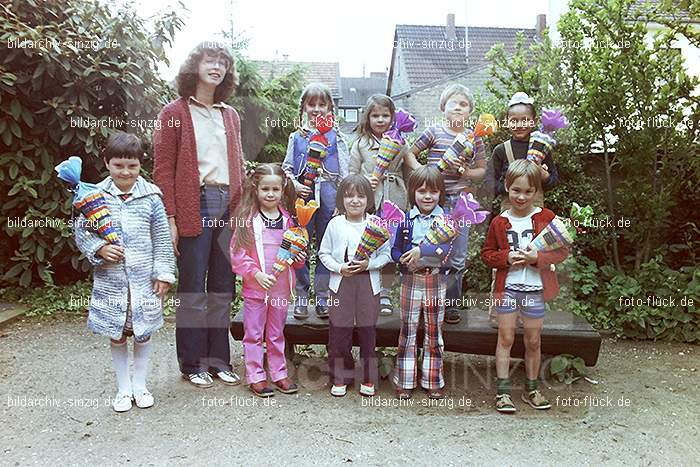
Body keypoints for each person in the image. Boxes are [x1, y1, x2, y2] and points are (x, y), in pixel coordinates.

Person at [153, 41, 245, 388]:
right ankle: (192, 363)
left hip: (229, 205)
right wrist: (172, 219)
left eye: (222, 62)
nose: (216, 66)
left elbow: (237, 165)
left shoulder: (230, 115)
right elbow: (163, 170)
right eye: (210, 60)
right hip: (196, 204)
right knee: (193, 286)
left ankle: (219, 360)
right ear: (195, 66)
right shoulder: (173, 113)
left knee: (222, 286)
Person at [74, 132, 175, 412]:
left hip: (144, 281)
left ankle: (140, 385)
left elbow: (162, 237)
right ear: (106, 163)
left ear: (140, 164)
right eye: (118, 165)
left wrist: (164, 273)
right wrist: (98, 249)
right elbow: (82, 231)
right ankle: (123, 389)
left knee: (143, 332)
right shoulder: (93, 196)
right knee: (117, 333)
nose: (125, 172)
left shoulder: (152, 197)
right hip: (111, 280)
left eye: (132, 165)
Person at [481, 159, 569, 413]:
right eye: (516, 190)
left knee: (533, 340)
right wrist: (505, 258)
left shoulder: (546, 218)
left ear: (537, 191)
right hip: (507, 288)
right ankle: (503, 392)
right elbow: (487, 254)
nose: (522, 196)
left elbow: (562, 251)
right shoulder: (499, 221)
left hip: (534, 290)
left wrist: (536, 259)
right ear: (507, 187)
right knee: (505, 337)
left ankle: (532, 389)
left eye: (528, 191)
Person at [404, 83, 487, 324]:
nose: (459, 108)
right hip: (433, 203)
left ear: (470, 110)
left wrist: (467, 172)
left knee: (457, 257)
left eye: (464, 104)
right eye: (454, 103)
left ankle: (450, 305)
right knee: (429, 251)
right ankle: (424, 301)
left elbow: (482, 170)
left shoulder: (474, 138)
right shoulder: (433, 132)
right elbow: (409, 153)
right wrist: (424, 172)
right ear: (443, 107)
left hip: (462, 204)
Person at [230, 164, 304, 397]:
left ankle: (279, 372)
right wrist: (255, 274)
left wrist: (299, 257)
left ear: (283, 191)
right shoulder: (248, 220)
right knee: (253, 333)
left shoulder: (289, 221)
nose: (270, 194)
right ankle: (255, 375)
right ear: (256, 189)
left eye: (275, 189)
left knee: (276, 332)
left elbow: (296, 256)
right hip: (256, 288)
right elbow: (237, 254)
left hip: (280, 289)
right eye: (265, 189)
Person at [282, 83, 349, 320]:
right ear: (304, 107)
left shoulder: (337, 137)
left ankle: (322, 298)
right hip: (304, 200)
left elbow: (344, 171)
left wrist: (342, 201)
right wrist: (294, 185)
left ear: (330, 107)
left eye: (322, 104)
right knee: (300, 247)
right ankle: (301, 297)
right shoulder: (297, 137)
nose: (317, 109)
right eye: (312, 104)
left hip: (330, 200)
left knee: (325, 248)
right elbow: (287, 169)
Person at [318, 175, 391, 397]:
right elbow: (323, 253)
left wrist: (370, 264)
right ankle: (341, 377)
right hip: (341, 284)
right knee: (339, 331)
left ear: (369, 199)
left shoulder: (376, 225)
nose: (355, 201)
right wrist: (339, 268)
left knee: (368, 331)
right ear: (341, 199)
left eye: (360, 196)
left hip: (368, 284)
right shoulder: (334, 224)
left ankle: (368, 377)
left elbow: (386, 255)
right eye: (349, 196)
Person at [390, 166, 452, 400]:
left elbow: (445, 251)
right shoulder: (406, 220)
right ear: (412, 193)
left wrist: (421, 253)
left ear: (440, 194)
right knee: (408, 329)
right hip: (410, 280)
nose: (428, 196)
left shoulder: (446, 220)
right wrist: (403, 259)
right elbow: (395, 250)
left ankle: (432, 379)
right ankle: (405, 380)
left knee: (434, 331)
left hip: (435, 279)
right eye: (422, 191)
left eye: (433, 192)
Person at [349, 94, 408, 316]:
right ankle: (364, 290)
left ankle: (384, 292)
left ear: (393, 117)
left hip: (395, 198)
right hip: (369, 201)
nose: (381, 120)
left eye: (386, 115)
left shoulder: (400, 141)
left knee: (390, 246)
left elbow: (410, 168)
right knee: (366, 244)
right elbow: (351, 174)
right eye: (376, 115)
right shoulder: (361, 144)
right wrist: (365, 182)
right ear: (367, 117)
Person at [486, 91, 559, 212]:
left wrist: (544, 176)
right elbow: (488, 182)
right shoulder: (501, 150)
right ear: (507, 121)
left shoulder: (541, 148)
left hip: (536, 213)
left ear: (534, 121)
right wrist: (507, 187)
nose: (519, 125)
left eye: (525, 120)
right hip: (509, 214)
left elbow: (554, 180)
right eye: (514, 121)